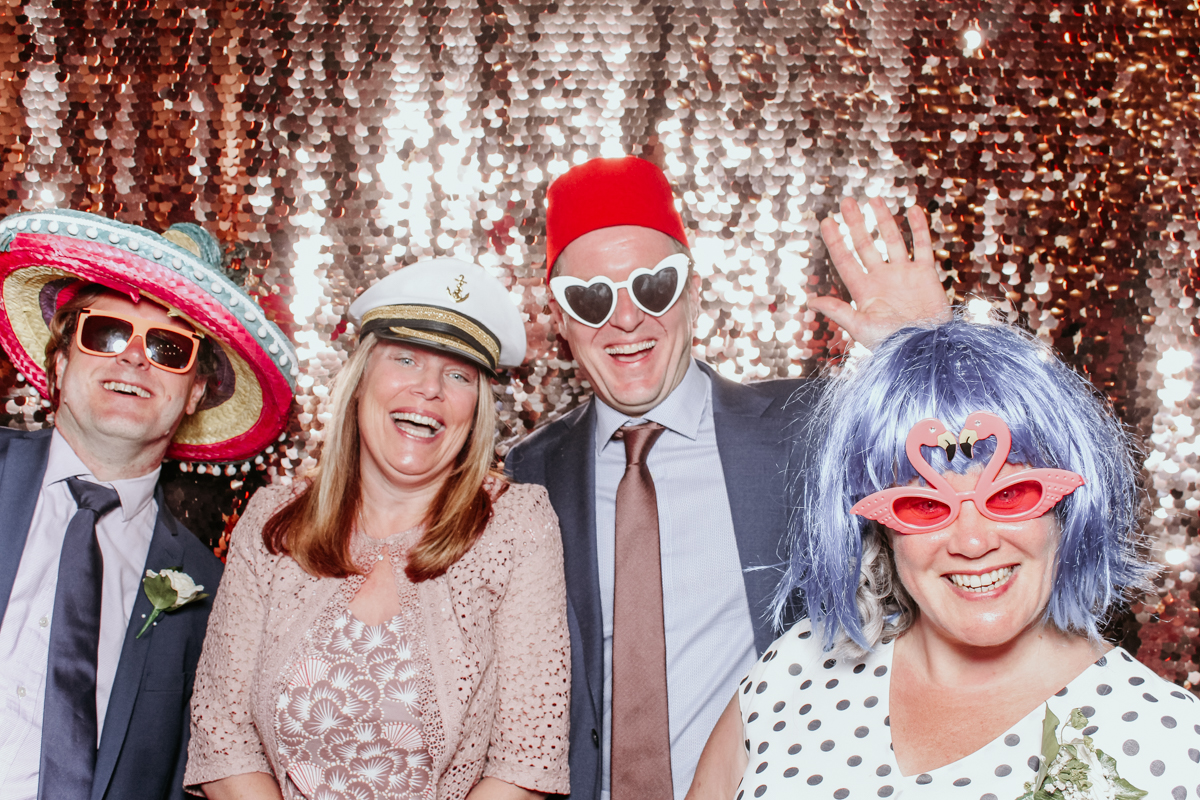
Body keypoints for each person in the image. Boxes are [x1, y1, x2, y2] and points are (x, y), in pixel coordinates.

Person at [504, 155, 951, 800]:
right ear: (561, 318)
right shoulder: (530, 472)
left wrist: (929, 350)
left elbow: (968, 487)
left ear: (690, 291)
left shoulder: (809, 426)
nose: (627, 320)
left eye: (653, 286)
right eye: (593, 298)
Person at [687, 319, 1200, 799]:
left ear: (1065, 510)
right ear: (882, 529)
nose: (972, 542)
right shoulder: (795, 668)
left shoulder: (1165, 741)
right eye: (926, 505)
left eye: (1011, 495)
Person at [186, 258, 571, 800]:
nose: (430, 389)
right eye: (406, 359)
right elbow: (222, 738)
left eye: (458, 373)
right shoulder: (274, 518)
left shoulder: (517, 525)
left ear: (477, 406)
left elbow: (526, 763)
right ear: (362, 377)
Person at [0, 209, 297, 800]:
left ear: (194, 395)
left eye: (169, 348)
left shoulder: (210, 592)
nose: (134, 359)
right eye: (106, 332)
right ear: (60, 362)